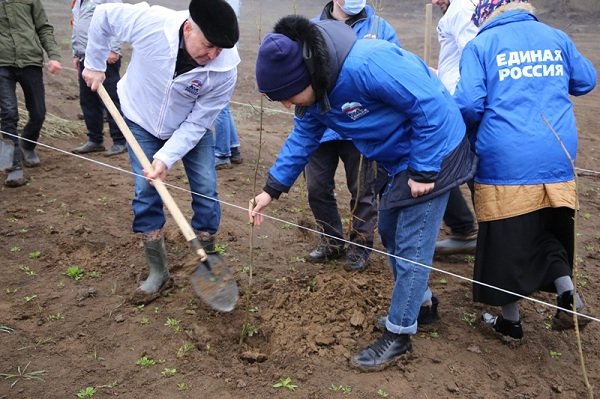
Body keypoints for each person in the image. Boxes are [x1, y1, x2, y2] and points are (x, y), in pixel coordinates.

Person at [249, 15, 476, 370]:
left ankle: (399, 334)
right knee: (389, 232)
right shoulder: (316, 94)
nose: (287, 105)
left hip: (434, 152)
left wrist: (425, 169)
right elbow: (303, 139)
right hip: (397, 158)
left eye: (288, 96)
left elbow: (429, 102)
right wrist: (271, 190)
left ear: (304, 76)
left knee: (412, 244)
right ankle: (423, 305)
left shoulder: (368, 64)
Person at [454, 0, 596, 340]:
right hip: (556, 152)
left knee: (505, 237)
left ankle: (511, 322)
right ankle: (568, 294)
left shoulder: (482, 44)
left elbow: (469, 104)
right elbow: (586, 80)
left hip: (507, 157)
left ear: (487, 14)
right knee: (549, 225)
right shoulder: (556, 36)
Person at [82, 0, 240, 304]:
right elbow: (103, 15)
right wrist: (94, 63)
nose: (213, 55)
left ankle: (208, 257)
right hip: (140, 117)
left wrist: (166, 157)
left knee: (206, 188)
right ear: (189, 27)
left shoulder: (225, 69)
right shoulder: (151, 22)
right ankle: (158, 270)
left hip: (190, 126)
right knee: (146, 191)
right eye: (208, 46)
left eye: (219, 50)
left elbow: (199, 121)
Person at [302, 0, 399, 273]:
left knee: (363, 190)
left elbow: (394, 71)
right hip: (323, 125)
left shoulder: (380, 28)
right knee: (316, 187)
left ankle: (360, 245)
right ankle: (331, 240)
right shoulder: (311, 29)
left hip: (362, 127)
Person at [431, 0, 479, 256]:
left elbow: (475, 56)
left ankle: (472, 233)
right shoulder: (457, 10)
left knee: (439, 165)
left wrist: (458, 94)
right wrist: (439, 76)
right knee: (445, 167)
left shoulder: (460, 9)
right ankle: (464, 229)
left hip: (462, 108)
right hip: (456, 102)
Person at [0, 0, 62, 187]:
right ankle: (13, 165)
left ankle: (28, 144)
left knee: (38, 113)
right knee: (8, 114)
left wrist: (53, 55)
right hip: (2, 64)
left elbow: (43, 27)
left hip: (30, 61)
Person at [70, 0, 127, 157]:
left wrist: (114, 49)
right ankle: (95, 140)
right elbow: (77, 26)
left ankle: (120, 140)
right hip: (85, 57)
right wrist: (76, 52)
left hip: (104, 56)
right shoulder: (78, 2)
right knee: (88, 100)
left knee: (111, 99)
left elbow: (118, 20)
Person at [214, 0, 242, 170]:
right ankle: (233, 148)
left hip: (221, 53)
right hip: (227, 52)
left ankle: (222, 154)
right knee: (223, 105)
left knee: (219, 107)